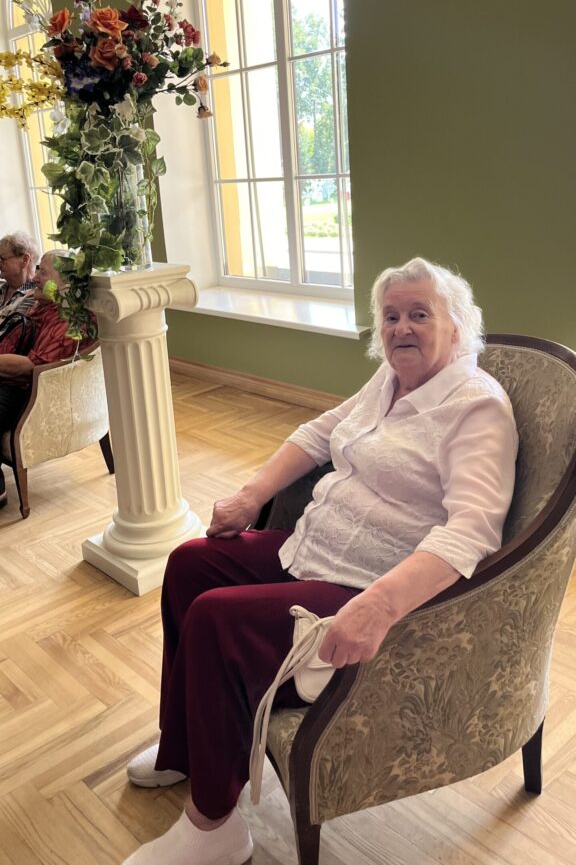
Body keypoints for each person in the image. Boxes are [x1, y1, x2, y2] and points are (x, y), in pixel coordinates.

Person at [123, 257, 519, 865]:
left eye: (420, 314)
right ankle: (186, 746)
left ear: (458, 326)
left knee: (216, 619)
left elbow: (473, 531)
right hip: (310, 547)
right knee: (189, 564)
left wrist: (378, 606)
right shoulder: (390, 379)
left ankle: (214, 826)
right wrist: (250, 497)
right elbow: (316, 433)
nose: (402, 328)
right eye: (391, 316)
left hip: (364, 583)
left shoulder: (476, 408)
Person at [0, 248, 94, 509]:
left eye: (43, 272)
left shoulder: (69, 321)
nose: (35, 278)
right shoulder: (44, 306)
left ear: (65, 284)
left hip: (24, 392)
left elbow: (32, 367)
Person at [0, 230, 39, 324]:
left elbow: (9, 328)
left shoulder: (35, 294)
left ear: (25, 260)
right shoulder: (2, 288)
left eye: (2, 259)